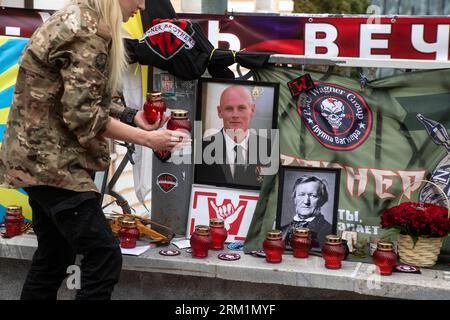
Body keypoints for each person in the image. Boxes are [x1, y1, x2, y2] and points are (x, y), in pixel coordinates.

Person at [0, 0, 190, 300]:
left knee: (54, 257)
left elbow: (77, 91)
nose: (142, 6)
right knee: (103, 257)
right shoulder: (88, 30)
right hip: (54, 166)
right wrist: (148, 139)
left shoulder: (75, 17)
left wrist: (130, 115)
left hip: (36, 161)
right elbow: (84, 114)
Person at [196, 85, 270, 188]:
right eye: (229, 109)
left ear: (252, 110)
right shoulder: (200, 148)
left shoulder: (269, 148)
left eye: (241, 108)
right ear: (219, 111)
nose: (235, 115)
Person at [281, 175, 332, 250]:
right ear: (295, 198)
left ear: (322, 200)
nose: (306, 201)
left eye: (313, 196)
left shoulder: (329, 231)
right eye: (301, 195)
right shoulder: (282, 230)